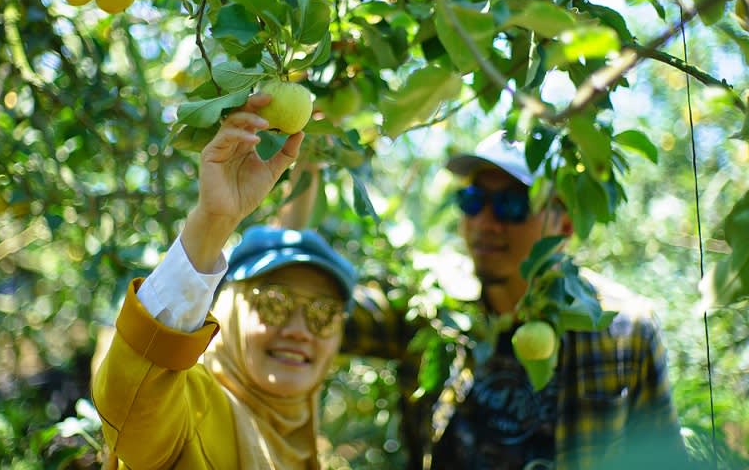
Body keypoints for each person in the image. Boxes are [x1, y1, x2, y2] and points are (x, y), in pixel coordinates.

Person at [285, 131, 689, 469]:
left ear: (563, 223)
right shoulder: (433, 308)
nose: (485, 222)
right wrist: (304, 166)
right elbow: (296, 309)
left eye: (513, 204)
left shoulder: (622, 328)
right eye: (473, 201)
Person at [91, 92, 357, 469]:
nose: (300, 330)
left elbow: (295, 231)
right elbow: (129, 398)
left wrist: (307, 154)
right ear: (228, 310)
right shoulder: (192, 409)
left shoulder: (300, 433)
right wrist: (213, 223)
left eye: (323, 314)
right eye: (273, 303)